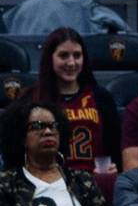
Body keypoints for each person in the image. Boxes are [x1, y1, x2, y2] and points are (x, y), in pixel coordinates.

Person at [0, 101, 112, 206]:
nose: (48, 132)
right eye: (37, 126)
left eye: (53, 126)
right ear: (21, 137)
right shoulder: (6, 182)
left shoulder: (82, 180)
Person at [27, 28, 118, 172]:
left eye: (77, 55)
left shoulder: (101, 97)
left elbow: (115, 149)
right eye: (63, 56)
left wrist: (114, 168)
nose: (71, 63)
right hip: (49, 182)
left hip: (93, 184)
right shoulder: (31, 99)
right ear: (50, 58)